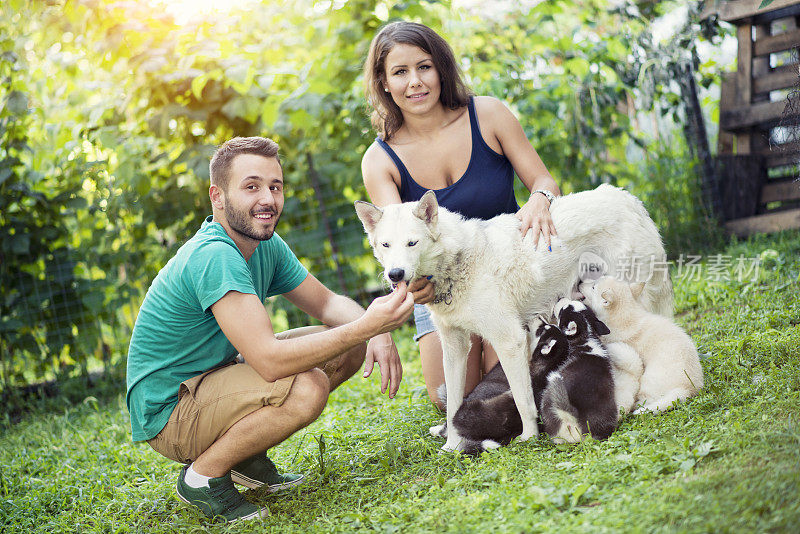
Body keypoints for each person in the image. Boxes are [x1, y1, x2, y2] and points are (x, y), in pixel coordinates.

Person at [126, 136, 414, 523]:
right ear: (218, 196)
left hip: (213, 380)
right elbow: (268, 361)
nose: (268, 199)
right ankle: (203, 477)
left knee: (346, 346)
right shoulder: (214, 255)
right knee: (306, 386)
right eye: (251, 186)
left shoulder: (265, 245)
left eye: (275, 187)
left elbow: (328, 304)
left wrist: (373, 331)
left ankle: (245, 457)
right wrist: (366, 326)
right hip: (170, 411)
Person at [361, 21, 561, 409]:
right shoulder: (378, 160)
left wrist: (540, 197)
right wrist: (405, 301)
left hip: (509, 270)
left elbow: (543, 179)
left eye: (424, 66)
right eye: (400, 72)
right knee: (448, 397)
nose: (415, 81)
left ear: (442, 69)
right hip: (442, 286)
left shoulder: (488, 114)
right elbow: (395, 248)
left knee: (502, 377)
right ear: (384, 83)